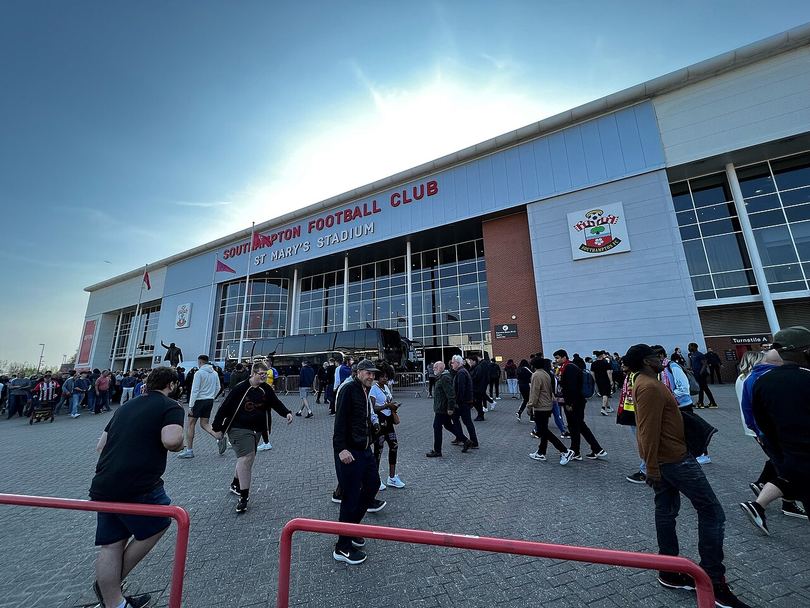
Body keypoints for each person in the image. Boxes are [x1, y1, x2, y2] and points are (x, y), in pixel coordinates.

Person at [623, 344, 751, 608]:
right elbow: (646, 430)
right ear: (647, 361)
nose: (662, 359)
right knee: (712, 512)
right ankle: (713, 580)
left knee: (666, 511)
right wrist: (652, 468)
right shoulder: (649, 387)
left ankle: (669, 569)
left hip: (666, 460)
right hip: (674, 460)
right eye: (656, 357)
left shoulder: (648, 383)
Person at [89, 367, 185, 608]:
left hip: (104, 483)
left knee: (111, 543)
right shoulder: (170, 406)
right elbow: (171, 440)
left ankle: (114, 603)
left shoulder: (126, 406)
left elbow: (101, 445)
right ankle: (108, 584)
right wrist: (179, 443)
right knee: (158, 524)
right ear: (171, 384)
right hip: (139, 484)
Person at [741, 327, 810, 534]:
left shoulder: (762, 383)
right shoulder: (806, 378)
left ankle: (762, 502)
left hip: (792, 458)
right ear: (804, 351)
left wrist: (780, 456)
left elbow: (763, 423)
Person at [211, 362, 293, 513]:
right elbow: (225, 407)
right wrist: (217, 428)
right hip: (239, 428)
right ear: (253, 373)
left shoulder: (265, 389)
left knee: (247, 459)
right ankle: (244, 497)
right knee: (246, 457)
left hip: (258, 429)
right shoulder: (241, 388)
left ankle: (235, 483)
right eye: (261, 374)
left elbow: (275, 402)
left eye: (266, 374)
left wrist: (286, 412)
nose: (264, 376)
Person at [332, 359, 384, 565]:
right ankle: (342, 547)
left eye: (373, 374)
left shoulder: (364, 390)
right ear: (358, 372)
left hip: (365, 449)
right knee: (350, 497)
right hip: (350, 451)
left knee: (372, 486)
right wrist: (341, 449)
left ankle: (352, 528)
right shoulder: (348, 389)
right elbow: (340, 421)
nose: (371, 376)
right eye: (367, 373)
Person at [553, 350, 606, 461]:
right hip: (575, 401)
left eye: (557, 358)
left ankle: (576, 451)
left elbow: (572, 388)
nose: (556, 360)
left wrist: (569, 403)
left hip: (574, 402)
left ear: (564, 357)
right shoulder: (565, 367)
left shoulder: (569, 368)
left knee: (574, 426)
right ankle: (596, 449)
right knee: (579, 426)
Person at [526, 357, 572, 464]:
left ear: (533, 365)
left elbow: (534, 392)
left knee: (543, 431)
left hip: (540, 406)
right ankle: (541, 452)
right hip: (548, 405)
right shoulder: (546, 374)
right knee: (544, 429)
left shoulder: (536, 375)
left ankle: (564, 450)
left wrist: (530, 405)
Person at [177, 355, 223, 459]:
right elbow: (218, 387)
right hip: (209, 400)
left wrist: (191, 405)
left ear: (200, 362)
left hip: (198, 401)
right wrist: (212, 396)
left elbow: (195, 390)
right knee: (204, 423)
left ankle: (189, 450)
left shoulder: (199, 373)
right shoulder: (214, 373)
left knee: (191, 424)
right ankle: (218, 436)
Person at [370, 362, 405, 487]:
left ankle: (392, 477)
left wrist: (393, 406)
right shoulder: (373, 389)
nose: (385, 378)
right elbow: (372, 408)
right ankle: (375, 479)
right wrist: (387, 405)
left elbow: (388, 401)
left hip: (389, 421)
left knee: (394, 446)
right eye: (382, 376)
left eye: (386, 376)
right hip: (379, 422)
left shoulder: (385, 388)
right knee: (378, 450)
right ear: (377, 376)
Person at [427, 360, 471, 457]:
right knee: (448, 425)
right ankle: (465, 440)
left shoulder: (444, 378)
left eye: (435, 367)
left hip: (443, 408)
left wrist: (450, 408)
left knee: (437, 427)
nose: (433, 369)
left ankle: (437, 450)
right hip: (441, 407)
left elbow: (451, 394)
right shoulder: (441, 377)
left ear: (440, 368)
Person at [449, 355, 479, 449]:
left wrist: (457, 401)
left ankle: (471, 440)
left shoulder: (461, 373)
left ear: (458, 363)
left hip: (463, 402)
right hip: (465, 401)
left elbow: (461, 389)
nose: (451, 364)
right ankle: (461, 437)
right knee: (463, 421)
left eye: (453, 363)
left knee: (463, 421)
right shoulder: (462, 371)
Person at [688, 343, 717, 409]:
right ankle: (711, 403)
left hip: (701, 374)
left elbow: (704, 364)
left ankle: (701, 403)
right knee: (704, 388)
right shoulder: (692, 355)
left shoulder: (699, 354)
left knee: (701, 388)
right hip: (696, 374)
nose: (689, 348)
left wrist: (700, 373)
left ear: (694, 347)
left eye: (690, 347)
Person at [590, 351, 614, 416]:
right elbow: (609, 372)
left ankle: (608, 407)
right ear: (601, 356)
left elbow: (592, 373)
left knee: (603, 394)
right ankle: (603, 408)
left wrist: (595, 380)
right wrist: (611, 381)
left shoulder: (593, 364)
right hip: (605, 380)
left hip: (598, 380)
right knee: (606, 394)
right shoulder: (605, 363)